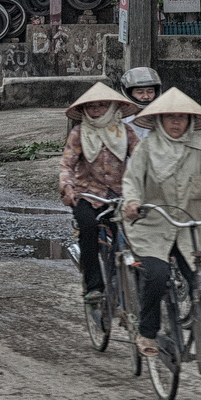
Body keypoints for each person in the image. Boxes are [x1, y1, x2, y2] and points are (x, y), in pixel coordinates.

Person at [121, 87, 201, 358]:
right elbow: (131, 181)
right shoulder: (146, 149)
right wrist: (131, 202)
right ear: (159, 120)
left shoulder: (199, 148)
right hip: (152, 223)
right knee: (157, 275)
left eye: (181, 117)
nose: (176, 122)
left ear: (190, 122)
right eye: (170, 117)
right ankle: (147, 333)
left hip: (190, 227)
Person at [58, 82, 141, 304]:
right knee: (88, 228)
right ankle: (94, 286)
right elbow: (67, 165)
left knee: (137, 231)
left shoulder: (126, 131)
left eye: (103, 105)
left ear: (113, 107)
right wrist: (67, 187)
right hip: (88, 194)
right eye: (92, 106)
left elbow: (143, 160)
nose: (97, 110)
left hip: (120, 194)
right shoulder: (79, 133)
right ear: (85, 110)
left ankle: (137, 282)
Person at [120, 66, 162, 139]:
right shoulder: (120, 121)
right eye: (140, 92)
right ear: (129, 94)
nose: (146, 96)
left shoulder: (162, 118)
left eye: (150, 91)